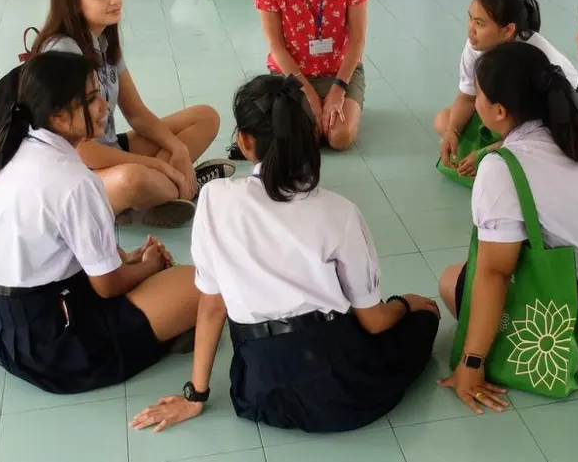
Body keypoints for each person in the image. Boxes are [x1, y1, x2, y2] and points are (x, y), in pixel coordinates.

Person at [130, 74, 440, 434]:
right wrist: (408, 303)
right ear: (311, 136)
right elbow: (373, 320)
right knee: (424, 317)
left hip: (260, 391)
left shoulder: (215, 199)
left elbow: (212, 306)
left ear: (245, 143)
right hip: (344, 392)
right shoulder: (339, 212)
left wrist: (195, 395)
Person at [0, 52, 200, 394]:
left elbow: (53, 242)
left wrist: (124, 258)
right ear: (58, 116)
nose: (104, 105)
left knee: (142, 277)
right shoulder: (75, 181)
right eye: (90, 99)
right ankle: (158, 332)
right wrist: (149, 266)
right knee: (197, 282)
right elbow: (107, 286)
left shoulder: (9, 149)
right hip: (52, 348)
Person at [437, 43, 578, 413]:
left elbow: (494, 273)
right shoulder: (577, 134)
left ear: (501, 110)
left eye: (479, 95)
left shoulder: (501, 170)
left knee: (451, 280)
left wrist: (471, 364)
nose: (474, 103)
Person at [33, 0, 235, 229]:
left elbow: (137, 114)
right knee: (134, 179)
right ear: (75, 3)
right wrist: (159, 165)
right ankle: (179, 186)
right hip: (78, 171)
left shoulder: (103, 39)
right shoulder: (63, 53)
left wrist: (177, 149)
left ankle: (168, 191)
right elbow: (86, 152)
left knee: (205, 117)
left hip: (110, 149)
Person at [236, 0, 368, 155]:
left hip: (339, 70)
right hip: (291, 74)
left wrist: (338, 89)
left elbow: (358, 39)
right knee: (305, 135)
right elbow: (275, 45)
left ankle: (346, 103)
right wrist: (306, 92)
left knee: (340, 138)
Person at [435, 0, 578, 179]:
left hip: (556, 123)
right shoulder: (475, 46)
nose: (470, 30)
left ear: (508, 30)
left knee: (521, 163)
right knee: (443, 121)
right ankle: (496, 148)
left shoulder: (536, 58)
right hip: (510, 117)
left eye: (479, 23)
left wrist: (486, 153)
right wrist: (452, 132)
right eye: (470, 18)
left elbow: (544, 128)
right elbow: (466, 98)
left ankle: (497, 151)